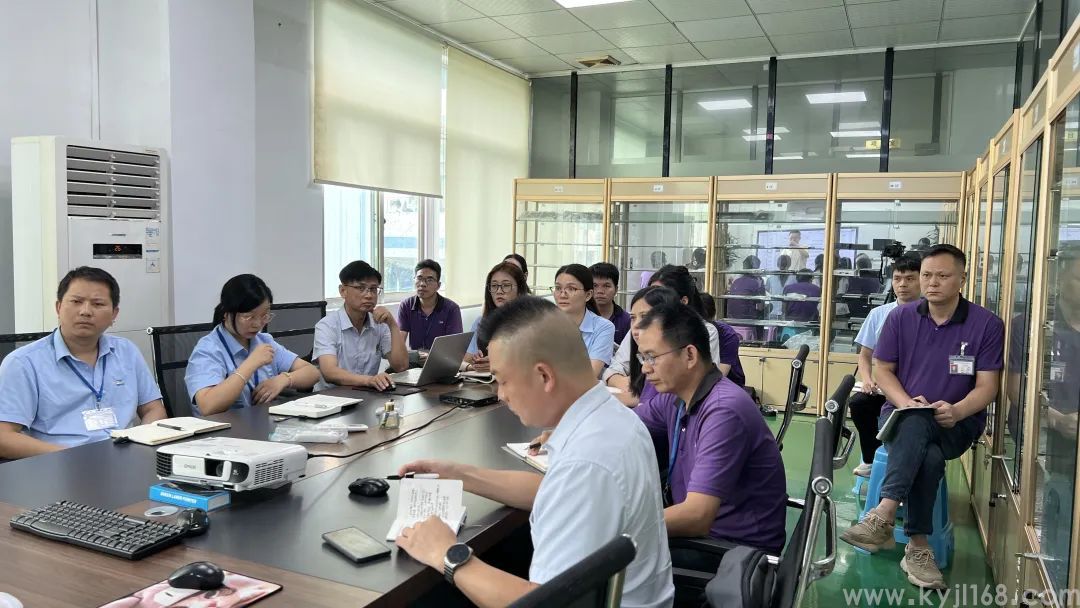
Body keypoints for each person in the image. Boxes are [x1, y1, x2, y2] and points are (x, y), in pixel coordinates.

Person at [394, 297, 674, 608]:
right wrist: (458, 474)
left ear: (544, 376)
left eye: (503, 381)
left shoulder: (586, 463)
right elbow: (554, 490)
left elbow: (544, 604)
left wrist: (446, 553)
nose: (501, 395)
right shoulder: (612, 418)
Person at [840, 245, 1004, 590]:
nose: (932, 282)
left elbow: (988, 386)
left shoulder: (986, 325)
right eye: (927, 275)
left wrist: (957, 410)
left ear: (962, 279)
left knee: (922, 433)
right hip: (901, 416)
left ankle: (883, 515)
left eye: (942, 276)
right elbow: (882, 370)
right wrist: (905, 403)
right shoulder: (900, 318)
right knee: (923, 445)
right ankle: (917, 547)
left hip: (957, 423)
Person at [633, 303, 787, 566]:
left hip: (733, 553)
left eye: (652, 357)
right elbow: (628, 423)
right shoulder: (677, 397)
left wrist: (622, 526)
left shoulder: (723, 410)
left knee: (610, 561)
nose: (645, 368)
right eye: (642, 358)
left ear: (689, 355)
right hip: (708, 537)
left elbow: (697, 516)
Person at [0, 267, 167, 459]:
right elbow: (4, 437)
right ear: (58, 307)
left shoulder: (126, 351)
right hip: (59, 464)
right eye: (76, 301)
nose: (85, 311)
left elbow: (153, 409)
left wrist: (140, 443)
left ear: (114, 314)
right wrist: (72, 458)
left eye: (98, 304)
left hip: (125, 458)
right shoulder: (23, 363)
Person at [186, 275, 321, 415]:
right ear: (226, 313)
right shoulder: (208, 350)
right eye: (248, 317)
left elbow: (312, 373)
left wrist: (283, 380)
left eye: (264, 316)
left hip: (262, 422)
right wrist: (251, 363)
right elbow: (208, 406)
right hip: (226, 427)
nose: (257, 324)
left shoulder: (263, 341)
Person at [848, 254, 922, 478]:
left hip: (916, 389)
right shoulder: (878, 314)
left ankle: (907, 464)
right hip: (884, 387)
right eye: (897, 279)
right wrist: (867, 380)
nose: (902, 284)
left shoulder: (930, 313)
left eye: (910, 279)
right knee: (859, 403)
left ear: (922, 280)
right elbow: (864, 355)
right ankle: (871, 459)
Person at [605, 266, 728, 391]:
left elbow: (696, 384)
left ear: (683, 302)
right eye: (650, 294)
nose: (651, 301)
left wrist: (639, 393)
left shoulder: (704, 331)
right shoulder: (638, 328)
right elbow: (614, 369)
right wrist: (624, 383)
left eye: (661, 296)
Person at [314, 261, 409, 391]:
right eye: (361, 288)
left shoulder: (380, 324)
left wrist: (392, 324)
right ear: (343, 291)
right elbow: (330, 372)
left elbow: (401, 366)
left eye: (373, 289)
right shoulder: (327, 326)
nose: (369, 295)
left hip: (367, 395)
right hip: (331, 397)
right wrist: (368, 380)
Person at [551, 264, 616, 378]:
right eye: (558, 288)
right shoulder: (542, 324)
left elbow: (589, 374)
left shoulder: (603, 327)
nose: (562, 294)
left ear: (588, 295)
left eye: (571, 289)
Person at [464, 262, 528, 372]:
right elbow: (466, 360)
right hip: (484, 380)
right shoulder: (481, 322)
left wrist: (499, 365)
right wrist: (477, 363)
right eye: (494, 286)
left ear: (520, 289)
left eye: (506, 286)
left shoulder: (532, 323)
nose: (499, 291)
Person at [396, 259, 463, 351]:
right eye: (419, 278)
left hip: (441, 358)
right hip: (416, 357)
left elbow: (454, 346)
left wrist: (431, 356)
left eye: (429, 280)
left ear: (438, 285)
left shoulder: (451, 309)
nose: (422, 284)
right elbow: (399, 341)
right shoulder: (406, 305)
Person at [590, 262, 632, 346]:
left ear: (616, 289)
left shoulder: (626, 320)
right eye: (595, 286)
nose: (600, 291)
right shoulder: (580, 317)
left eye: (606, 286)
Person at [726, 256, 766, 322]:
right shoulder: (756, 283)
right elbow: (760, 307)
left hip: (732, 321)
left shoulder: (736, 281)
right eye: (758, 268)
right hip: (747, 322)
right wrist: (761, 287)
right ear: (754, 269)